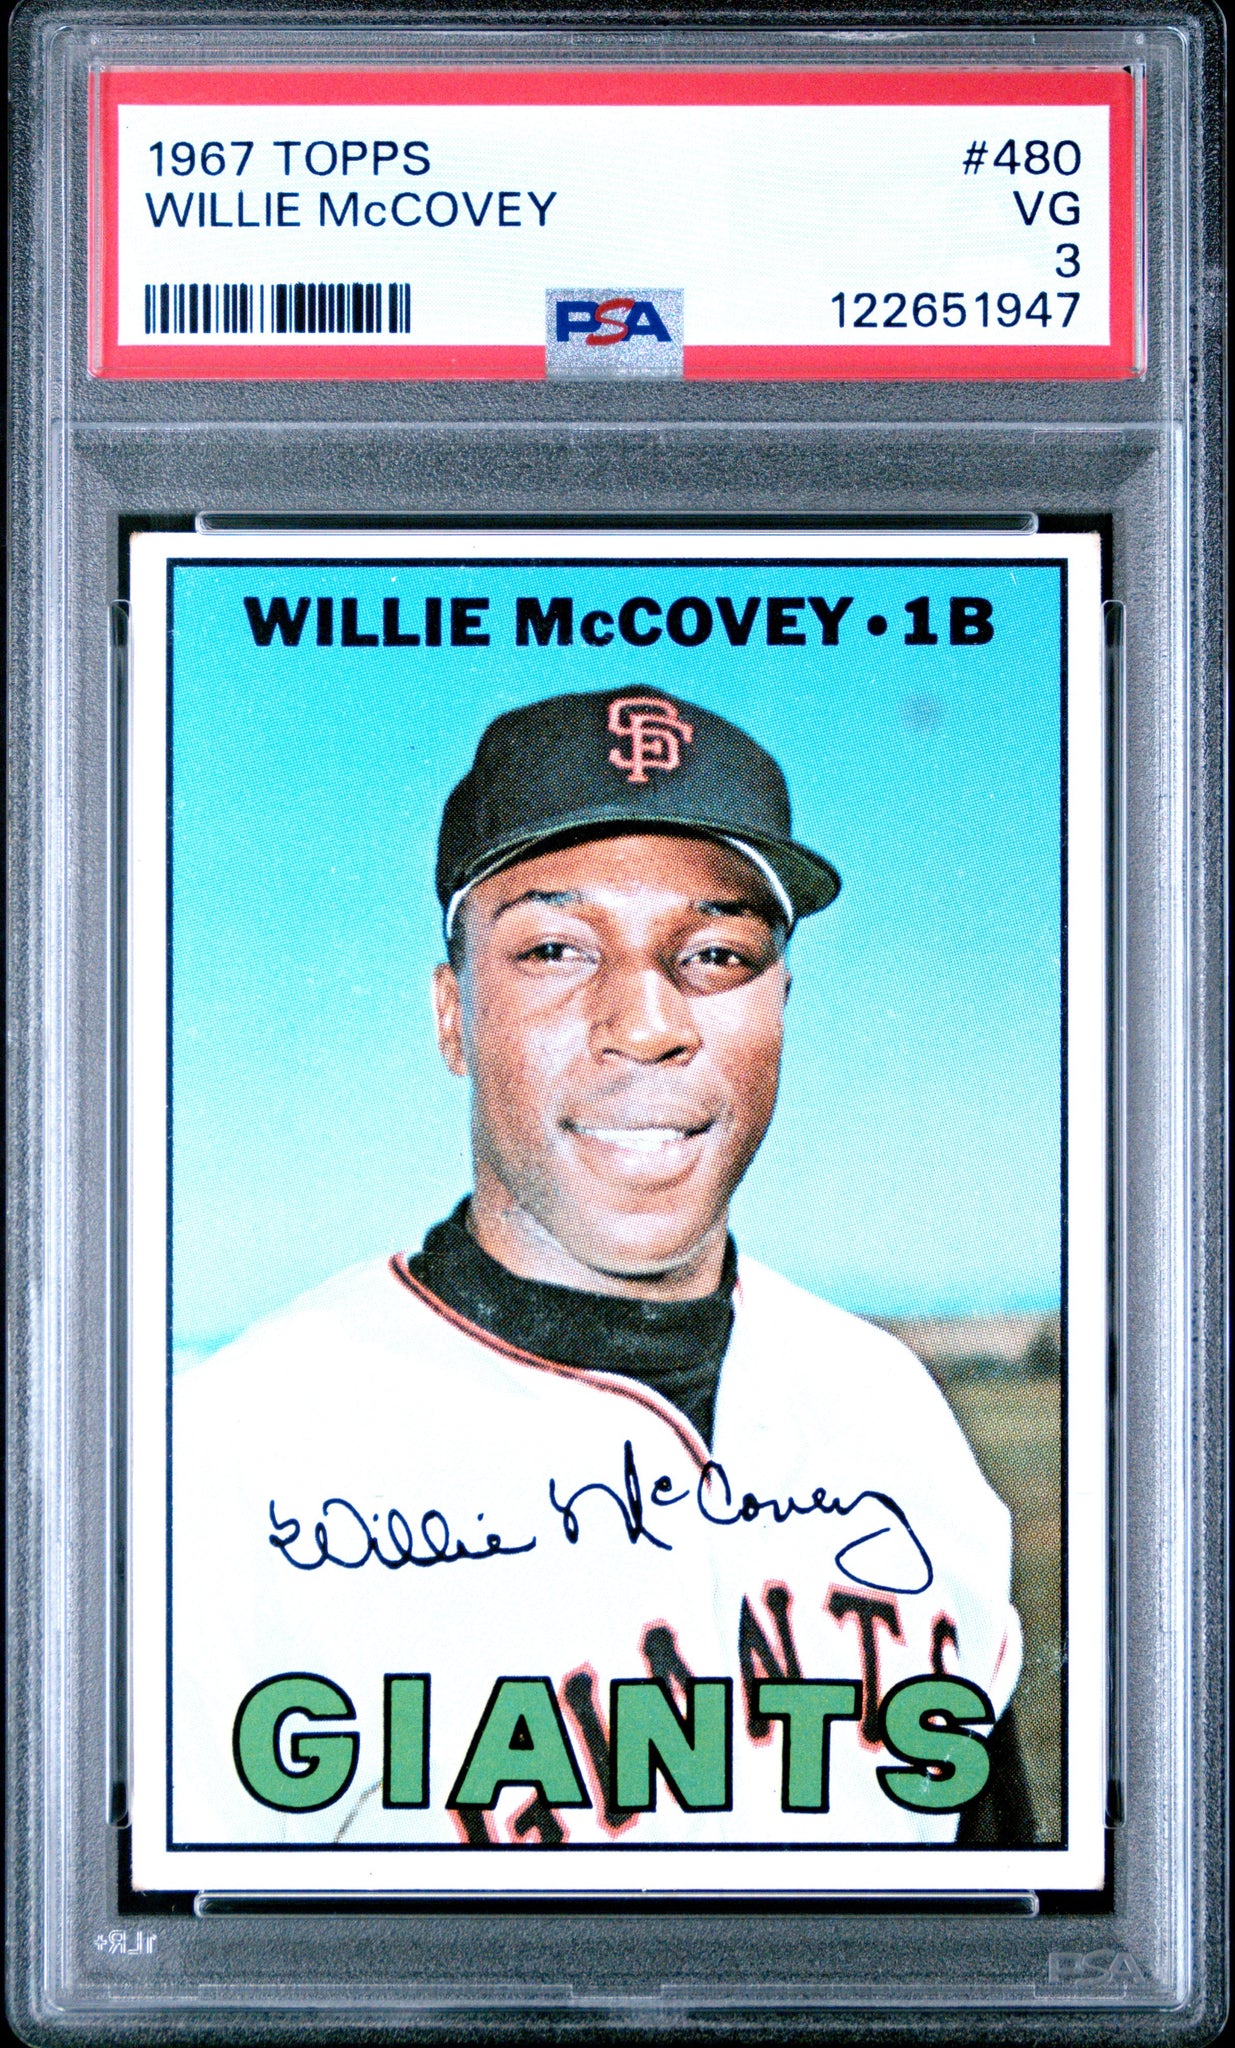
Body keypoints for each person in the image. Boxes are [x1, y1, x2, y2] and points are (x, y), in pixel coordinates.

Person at [171, 690, 1030, 1855]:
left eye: (716, 952)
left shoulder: (888, 1411)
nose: (644, 1020)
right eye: (554, 950)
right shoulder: (234, 1451)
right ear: (452, 1016)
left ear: (780, 1008)